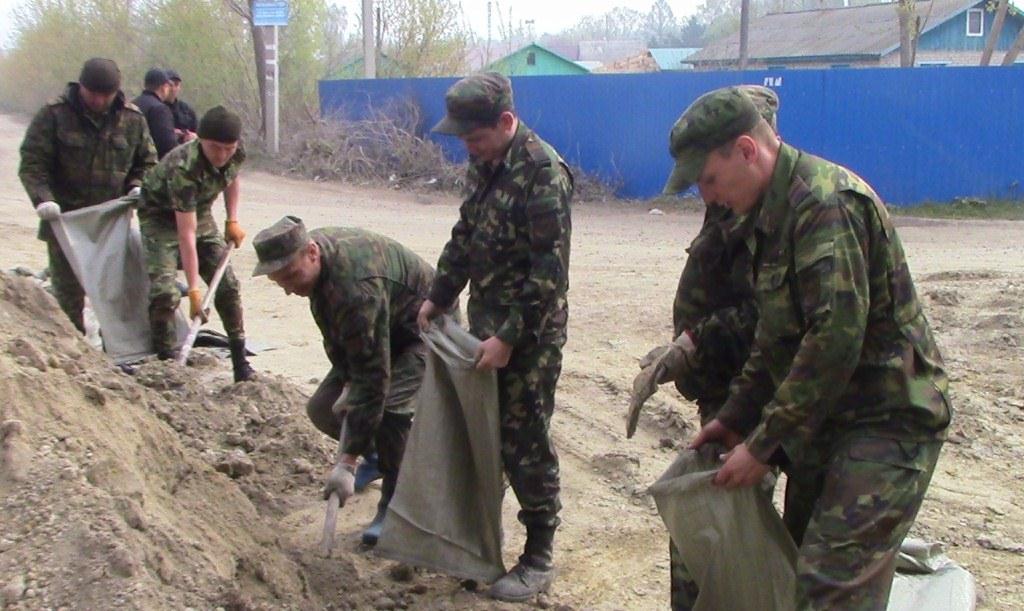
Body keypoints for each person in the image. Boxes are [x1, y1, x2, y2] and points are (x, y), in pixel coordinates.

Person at [667, 86, 951, 609]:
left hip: (888, 419)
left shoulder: (825, 205)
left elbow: (833, 341)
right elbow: (774, 338)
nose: (707, 197)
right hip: (830, 419)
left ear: (747, 151)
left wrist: (764, 445)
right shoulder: (768, 215)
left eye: (708, 180)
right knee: (796, 562)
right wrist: (735, 416)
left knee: (828, 582)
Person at [417, 72, 573, 602]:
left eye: (475, 136)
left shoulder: (543, 173)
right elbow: (465, 233)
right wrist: (439, 294)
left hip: (530, 337)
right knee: (483, 439)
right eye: (463, 138)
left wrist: (508, 338)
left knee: (523, 441)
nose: (468, 146)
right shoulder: (484, 163)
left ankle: (539, 556)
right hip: (485, 327)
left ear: (506, 122)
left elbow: (549, 273)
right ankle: (484, 547)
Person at [633, 85, 777, 610]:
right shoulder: (731, 201)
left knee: (723, 528)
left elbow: (768, 317)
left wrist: (694, 343)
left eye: (709, 179)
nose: (706, 193)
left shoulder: (776, 212)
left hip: (760, 390)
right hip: (727, 391)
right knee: (710, 526)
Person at [252, 216, 433, 546]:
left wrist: (346, 463)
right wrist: (346, 382)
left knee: (390, 412)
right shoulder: (318, 268)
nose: (289, 290)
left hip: (421, 329)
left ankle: (397, 507)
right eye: (280, 283)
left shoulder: (355, 287)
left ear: (312, 252)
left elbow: (374, 378)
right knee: (322, 408)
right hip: (378, 327)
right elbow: (336, 334)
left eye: (291, 277)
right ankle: (377, 457)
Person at [18, 57, 157, 333]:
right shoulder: (54, 115)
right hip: (65, 222)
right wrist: (43, 198)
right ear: (81, 86)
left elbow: (148, 161)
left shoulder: (132, 119)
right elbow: (32, 163)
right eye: (93, 93)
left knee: (114, 295)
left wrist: (137, 185)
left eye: (106, 95)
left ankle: (115, 348)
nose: (99, 100)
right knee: (67, 297)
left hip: (110, 224)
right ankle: (70, 348)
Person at [138, 105, 254, 382]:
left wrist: (231, 219)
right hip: (160, 218)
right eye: (215, 148)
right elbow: (186, 236)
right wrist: (193, 290)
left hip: (200, 213)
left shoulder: (235, 151)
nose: (222, 155)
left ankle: (240, 362)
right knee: (165, 293)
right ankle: (167, 362)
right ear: (200, 140)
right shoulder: (184, 169)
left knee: (227, 285)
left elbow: (231, 177)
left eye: (228, 149)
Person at [132, 68, 178, 158]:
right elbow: (167, 144)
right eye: (168, 86)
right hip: (151, 161)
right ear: (163, 88)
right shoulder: (160, 109)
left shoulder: (133, 104)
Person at [164, 69, 198, 144]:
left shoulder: (186, 109)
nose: (173, 89)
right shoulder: (157, 108)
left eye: (176, 85)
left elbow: (198, 132)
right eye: (170, 85)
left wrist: (193, 136)